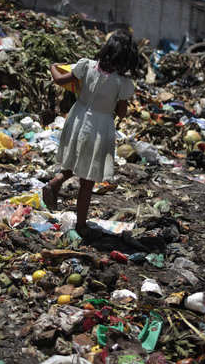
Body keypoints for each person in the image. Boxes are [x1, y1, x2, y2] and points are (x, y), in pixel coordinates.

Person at [43, 30, 139, 237]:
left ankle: (54, 183)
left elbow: (60, 80)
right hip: (100, 125)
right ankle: (81, 225)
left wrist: (52, 67)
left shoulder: (86, 65)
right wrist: (119, 104)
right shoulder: (122, 83)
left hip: (77, 117)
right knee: (88, 179)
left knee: (76, 159)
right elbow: (121, 112)